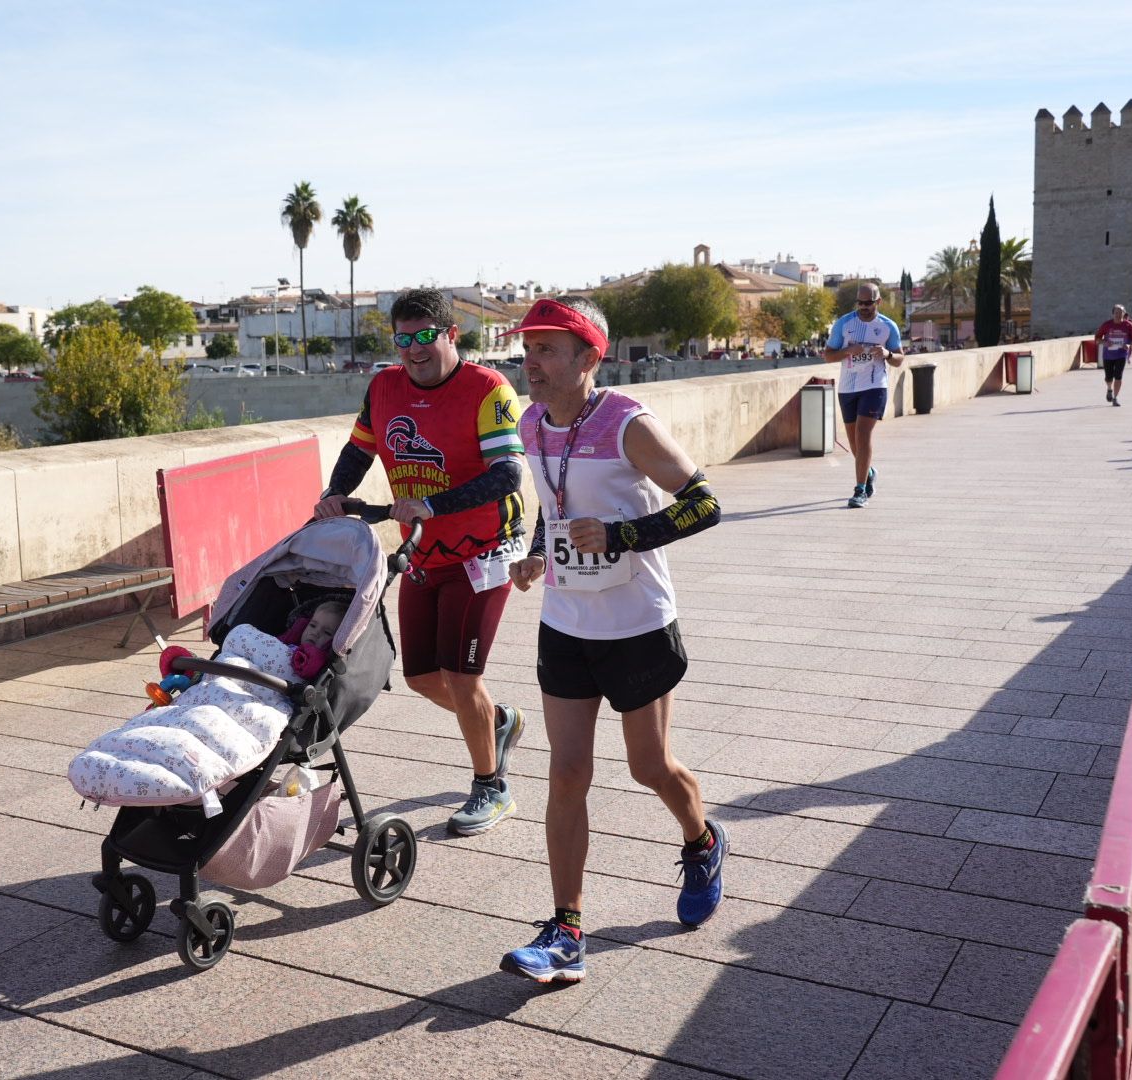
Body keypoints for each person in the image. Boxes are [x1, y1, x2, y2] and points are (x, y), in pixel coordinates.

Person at [494, 296, 726, 985]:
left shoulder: (628, 423)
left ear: (589, 358)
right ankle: (565, 930)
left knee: (650, 766)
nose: (530, 363)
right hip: (567, 621)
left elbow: (705, 504)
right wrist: (540, 550)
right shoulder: (532, 422)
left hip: (636, 623)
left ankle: (703, 840)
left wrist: (625, 534)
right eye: (527, 349)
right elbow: (553, 499)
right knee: (567, 772)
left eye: (546, 350)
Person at [313, 288, 527, 836]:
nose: (412, 349)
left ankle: (491, 786)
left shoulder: (489, 389)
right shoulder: (383, 386)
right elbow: (360, 450)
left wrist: (432, 504)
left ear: (450, 335)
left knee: (461, 675)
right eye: (402, 338)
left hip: (482, 553)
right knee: (422, 678)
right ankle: (497, 722)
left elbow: (508, 474)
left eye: (424, 337)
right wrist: (336, 493)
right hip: (421, 553)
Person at [68, 600, 345, 810]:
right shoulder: (286, 644)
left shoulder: (309, 663)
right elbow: (248, 648)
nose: (314, 635)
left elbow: (309, 665)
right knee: (174, 719)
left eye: (326, 633)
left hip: (257, 702)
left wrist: (309, 651)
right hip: (216, 691)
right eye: (312, 626)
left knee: (202, 744)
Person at [823, 283, 904, 509]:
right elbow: (828, 356)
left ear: (878, 302)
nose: (864, 307)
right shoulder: (844, 324)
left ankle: (860, 490)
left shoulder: (888, 326)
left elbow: (900, 358)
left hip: (874, 385)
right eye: (860, 303)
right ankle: (869, 471)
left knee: (863, 433)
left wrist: (887, 354)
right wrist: (848, 351)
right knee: (853, 443)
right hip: (848, 388)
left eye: (868, 303)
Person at [1095, 305, 1132, 406]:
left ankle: (1115, 397)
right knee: (1108, 377)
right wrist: (1104, 342)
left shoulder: (1128, 325)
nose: (1118, 314)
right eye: (1116, 312)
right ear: (1113, 314)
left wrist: (1127, 344)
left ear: (1124, 313)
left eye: (1120, 312)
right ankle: (1109, 389)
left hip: (1121, 354)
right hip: (1108, 355)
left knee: (1118, 376)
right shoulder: (1106, 325)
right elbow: (1097, 338)